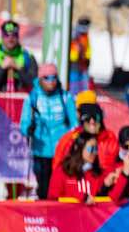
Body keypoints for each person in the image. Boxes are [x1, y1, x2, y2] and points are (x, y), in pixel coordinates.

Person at [21, 63, 74, 197]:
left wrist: (71, 140)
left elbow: (75, 123)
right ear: (40, 79)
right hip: (40, 150)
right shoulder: (32, 98)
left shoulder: (65, 97)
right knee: (43, 187)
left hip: (61, 151)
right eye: (47, 78)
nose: (51, 81)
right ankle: (44, 212)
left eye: (54, 77)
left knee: (59, 187)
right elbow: (24, 123)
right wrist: (29, 129)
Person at [53, 101, 118, 170]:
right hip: (75, 178)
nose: (92, 122)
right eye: (87, 118)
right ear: (81, 120)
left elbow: (116, 166)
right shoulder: (70, 139)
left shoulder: (109, 138)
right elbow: (58, 168)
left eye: (96, 117)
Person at [47, 131, 108, 201]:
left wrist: (106, 186)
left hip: (91, 212)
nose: (94, 153)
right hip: (68, 211)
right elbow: (52, 200)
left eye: (96, 149)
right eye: (90, 149)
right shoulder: (62, 171)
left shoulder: (98, 172)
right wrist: (83, 199)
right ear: (78, 148)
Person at [0, 19, 37, 92]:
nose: (10, 38)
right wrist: (2, 68)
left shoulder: (28, 57)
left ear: (18, 36)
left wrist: (19, 68)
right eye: (6, 35)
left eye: (14, 35)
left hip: (21, 102)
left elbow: (34, 84)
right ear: (2, 36)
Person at [67, 18, 92, 94]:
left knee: (84, 84)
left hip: (83, 64)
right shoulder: (74, 35)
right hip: (74, 64)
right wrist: (74, 58)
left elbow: (88, 48)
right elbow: (73, 50)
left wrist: (88, 58)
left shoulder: (85, 36)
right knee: (74, 84)